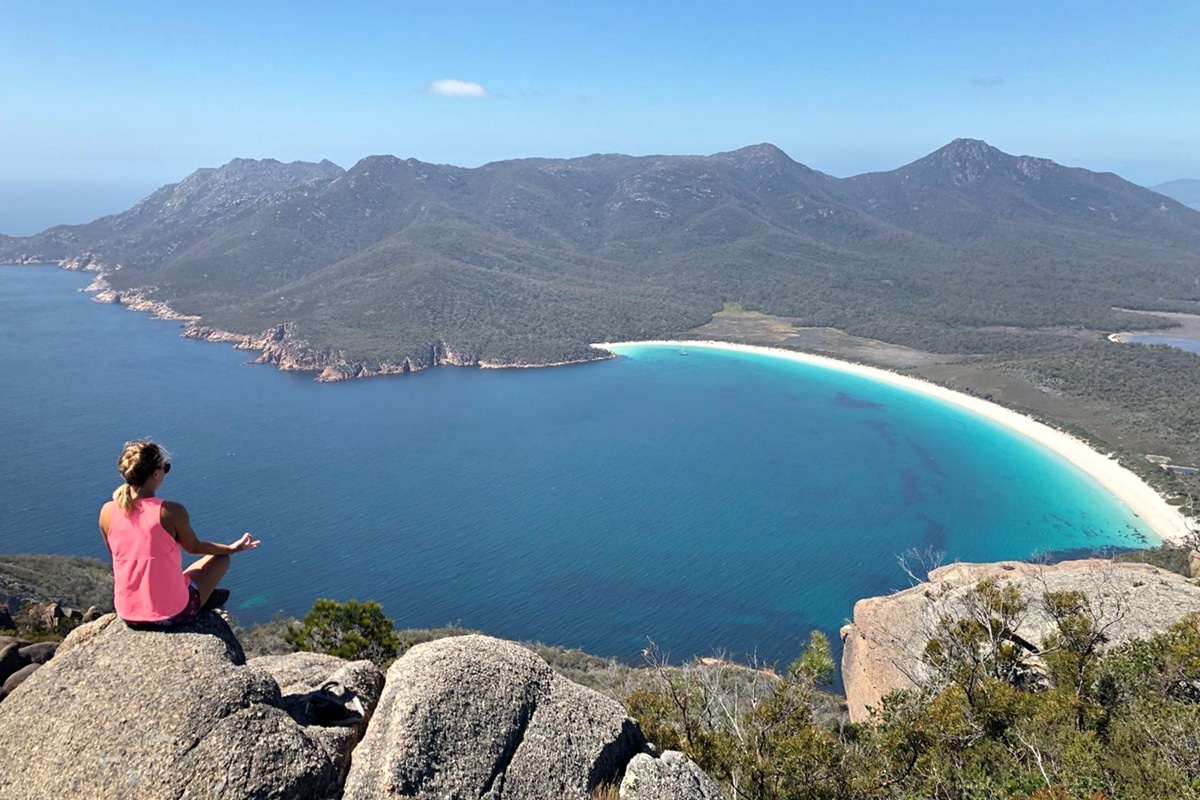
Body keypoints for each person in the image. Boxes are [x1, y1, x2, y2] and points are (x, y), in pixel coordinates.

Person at [98, 439, 260, 628]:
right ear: (156, 473)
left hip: (128, 614)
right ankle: (199, 600)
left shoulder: (107, 511)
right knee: (221, 558)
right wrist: (232, 548)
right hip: (173, 614)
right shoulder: (170, 511)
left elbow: (117, 554)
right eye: (165, 467)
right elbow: (194, 547)